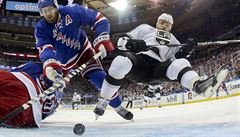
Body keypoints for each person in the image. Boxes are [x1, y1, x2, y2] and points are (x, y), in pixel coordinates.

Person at [94, 13, 229, 119]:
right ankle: (104, 100)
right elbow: (122, 41)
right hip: (139, 62)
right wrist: (131, 43)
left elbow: (178, 61)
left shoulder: (174, 41)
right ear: (157, 22)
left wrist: (188, 50)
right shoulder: (145, 28)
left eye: (167, 24)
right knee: (120, 61)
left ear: (170, 27)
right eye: (162, 22)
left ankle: (198, 86)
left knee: (181, 64)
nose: (164, 25)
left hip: (157, 70)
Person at [35, 0, 131, 120]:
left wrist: (101, 38)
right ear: (41, 13)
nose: (48, 13)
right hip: (60, 61)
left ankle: (118, 106)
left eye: (50, 9)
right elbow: (45, 49)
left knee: (99, 78)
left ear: (56, 7)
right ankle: (48, 107)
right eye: (44, 11)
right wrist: (50, 68)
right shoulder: (41, 28)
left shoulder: (72, 11)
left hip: (82, 52)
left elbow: (99, 19)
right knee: (52, 85)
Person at [0, 62, 61, 128]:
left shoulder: (35, 66)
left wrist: (53, 67)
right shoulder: (54, 99)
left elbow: (50, 63)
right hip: (28, 115)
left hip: (18, 82)